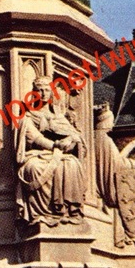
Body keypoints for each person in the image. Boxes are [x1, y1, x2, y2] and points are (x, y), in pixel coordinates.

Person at [15, 76, 86, 226]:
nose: (43, 93)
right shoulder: (28, 116)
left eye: (47, 90)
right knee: (33, 167)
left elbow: (75, 136)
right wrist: (55, 145)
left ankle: (67, 210)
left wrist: (70, 141)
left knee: (72, 164)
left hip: (57, 154)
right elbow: (34, 137)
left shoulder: (58, 116)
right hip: (37, 154)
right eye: (39, 90)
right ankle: (43, 212)